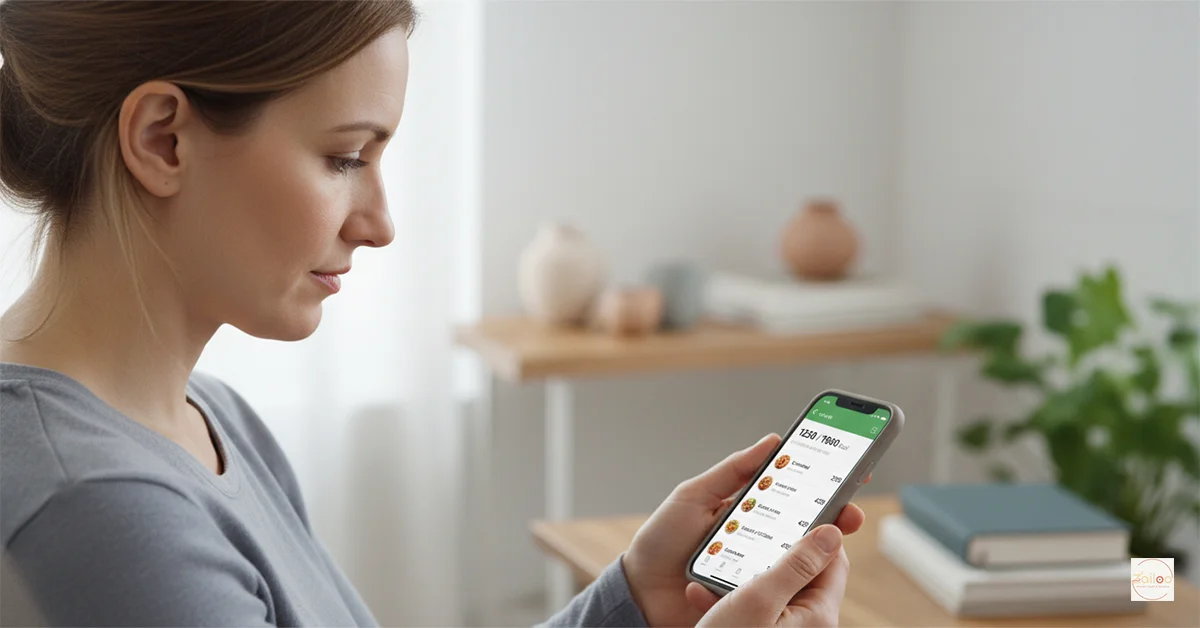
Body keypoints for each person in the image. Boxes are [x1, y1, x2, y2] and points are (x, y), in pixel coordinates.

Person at [0, 2, 865, 626]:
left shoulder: (211, 420)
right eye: (345, 157)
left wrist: (632, 601)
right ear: (163, 139)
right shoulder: (103, 511)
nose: (379, 224)